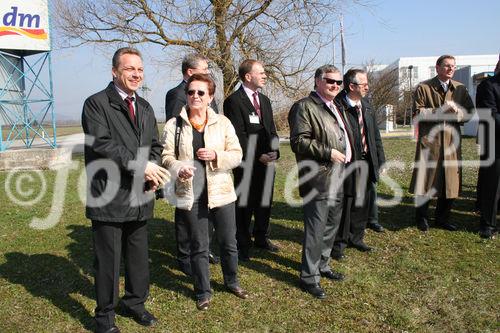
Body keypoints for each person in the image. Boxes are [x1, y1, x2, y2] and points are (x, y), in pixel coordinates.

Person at [82, 47, 168, 333]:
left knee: (138, 257)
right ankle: (104, 317)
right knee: (108, 262)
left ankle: (135, 303)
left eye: (140, 70)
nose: (136, 74)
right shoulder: (96, 104)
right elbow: (102, 144)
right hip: (109, 195)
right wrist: (141, 165)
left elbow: (155, 145)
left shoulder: (144, 106)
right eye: (130, 69)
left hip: (139, 195)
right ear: (115, 72)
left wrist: (153, 169)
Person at [161, 73, 249, 311]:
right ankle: (203, 291)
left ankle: (232, 281)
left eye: (201, 92)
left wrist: (216, 156)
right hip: (192, 193)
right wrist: (179, 168)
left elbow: (237, 154)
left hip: (221, 192)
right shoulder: (174, 124)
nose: (195, 96)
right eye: (191, 92)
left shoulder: (223, 122)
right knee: (199, 245)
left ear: (210, 97)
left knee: (228, 242)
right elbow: (166, 156)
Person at [288, 65, 349, 299]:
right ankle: (309, 277)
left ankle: (322, 265)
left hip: (339, 175)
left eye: (338, 82)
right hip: (318, 178)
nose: (335, 85)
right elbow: (299, 142)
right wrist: (328, 152)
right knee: (316, 230)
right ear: (317, 81)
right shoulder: (305, 106)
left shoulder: (336, 106)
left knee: (331, 225)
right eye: (330, 81)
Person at [165, 53, 220, 274]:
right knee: (185, 210)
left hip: (207, 159)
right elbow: (175, 127)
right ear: (190, 72)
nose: (208, 73)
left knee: (205, 208)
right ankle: (185, 255)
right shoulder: (177, 94)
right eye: (204, 70)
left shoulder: (207, 90)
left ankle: (203, 248)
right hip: (187, 164)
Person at [224, 59, 280, 261]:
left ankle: (262, 237)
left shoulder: (265, 100)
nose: (265, 75)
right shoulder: (233, 101)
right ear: (248, 76)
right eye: (261, 72)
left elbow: (271, 130)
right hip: (247, 164)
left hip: (268, 162)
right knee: (245, 204)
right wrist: (257, 156)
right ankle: (242, 243)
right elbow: (238, 136)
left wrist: (274, 152)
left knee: (265, 202)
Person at [410, 54, 474, 232]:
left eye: (453, 66)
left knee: (451, 180)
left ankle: (442, 218)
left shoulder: (460, 88)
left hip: (452, 141)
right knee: (426, 179)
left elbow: (469, 112)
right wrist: (440, 110)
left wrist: (458, 114)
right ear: (437, 68)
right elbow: (417, 113)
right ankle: (421, 217)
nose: (451, 69)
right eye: (447, 66)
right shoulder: (423, 88)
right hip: (430, 140)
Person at [332, 68, 386, 259]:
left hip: (366, 160)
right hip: (347, 162)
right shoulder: (337, 106)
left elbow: (374, 135)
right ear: (352, 86)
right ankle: (339, 243)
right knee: (345, 204)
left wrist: (379, 158)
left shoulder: (367, 105)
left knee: (362, 201)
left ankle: (357, 237)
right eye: (364, 84)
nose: (367, 87)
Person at [476, 59, 500, 239]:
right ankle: (488, 223)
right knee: (492, 185)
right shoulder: (488, 85)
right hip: (494, 143)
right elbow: (489, 114)